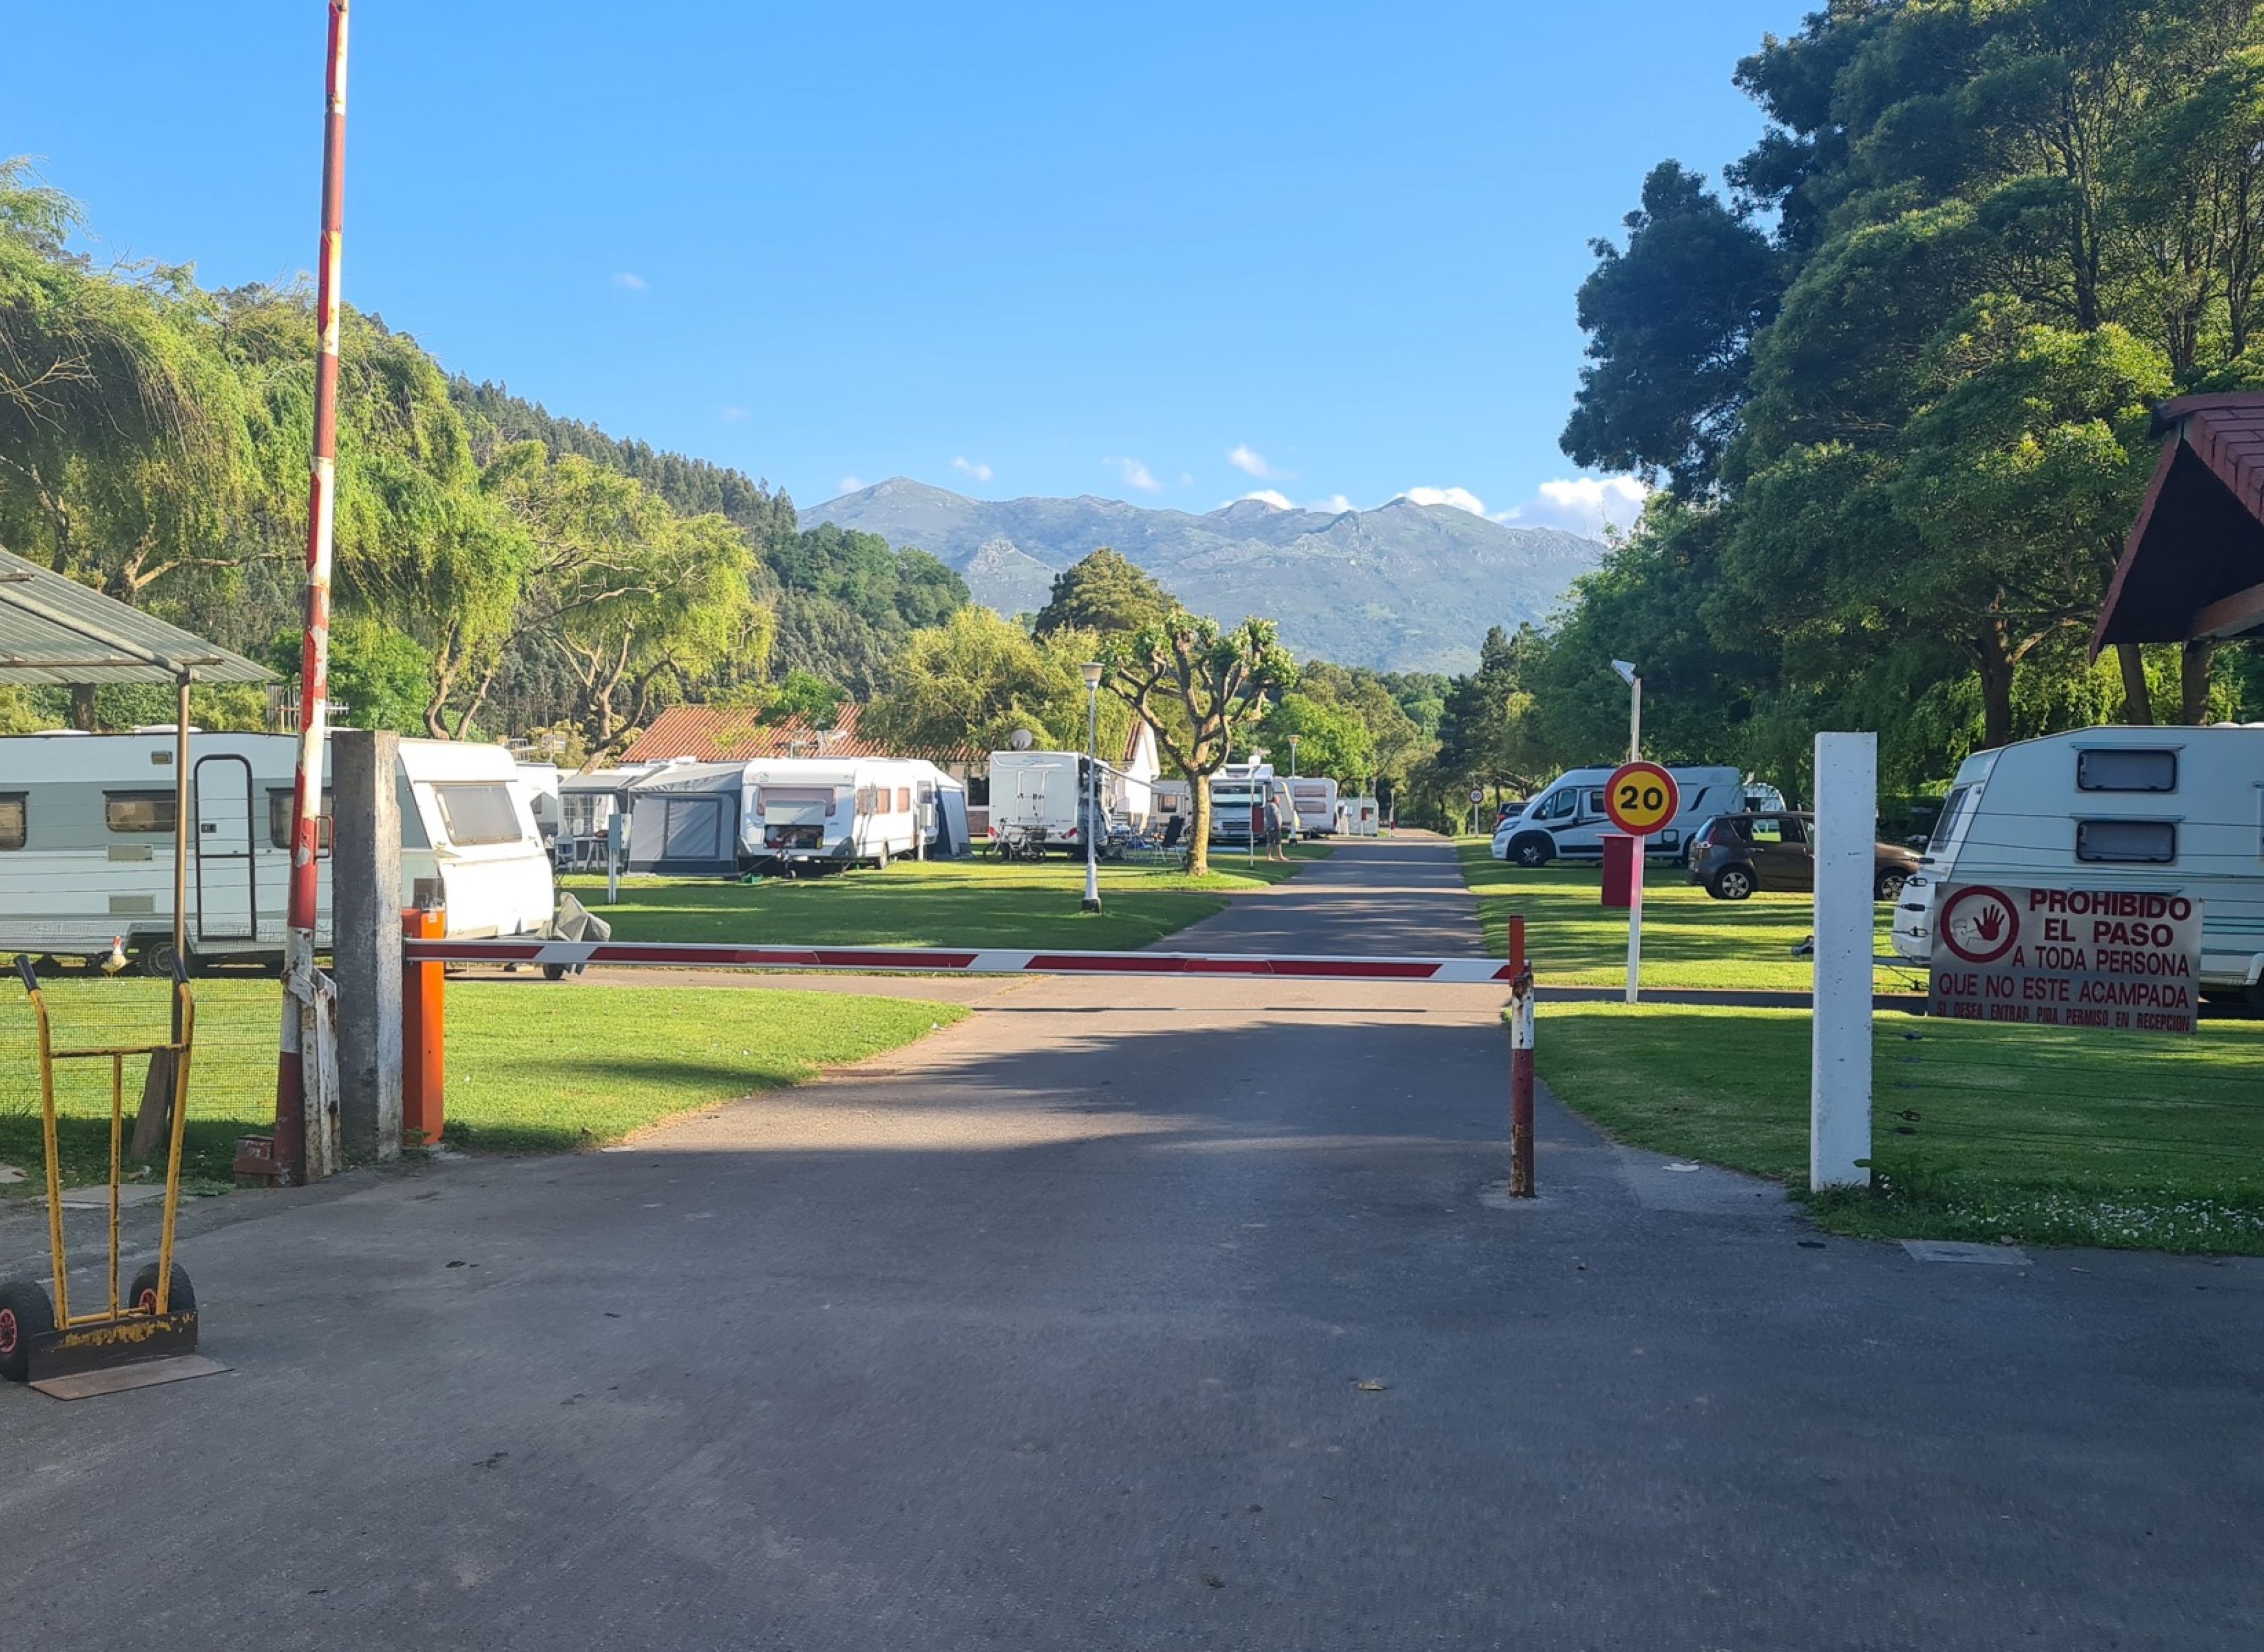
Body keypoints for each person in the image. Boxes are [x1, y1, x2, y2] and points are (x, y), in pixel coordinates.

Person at [1264, 793, 1289, 862]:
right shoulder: (1274, 806)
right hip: (1275, 827)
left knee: (1270, 842)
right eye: (1279, 800)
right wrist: (1279, 825)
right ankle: (1280, 856)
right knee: (1278, 842)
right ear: (1276, 800)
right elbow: (1276, 815)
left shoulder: (1268, 806)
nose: (1279, 801)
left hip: (1269, 826)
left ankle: (1269, 857)